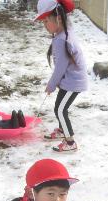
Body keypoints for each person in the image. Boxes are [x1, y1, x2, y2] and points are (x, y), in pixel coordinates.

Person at [35, 0, 88, 152]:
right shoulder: (65, 32)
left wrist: (51, 84)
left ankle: (70, 142)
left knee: (60, 110)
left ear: (58, 18)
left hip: (74, 82)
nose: (44, 25)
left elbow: (60, 67)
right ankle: (61, 130)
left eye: (46, 21)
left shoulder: (60, 39)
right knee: (59, 106)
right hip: (68, 80)